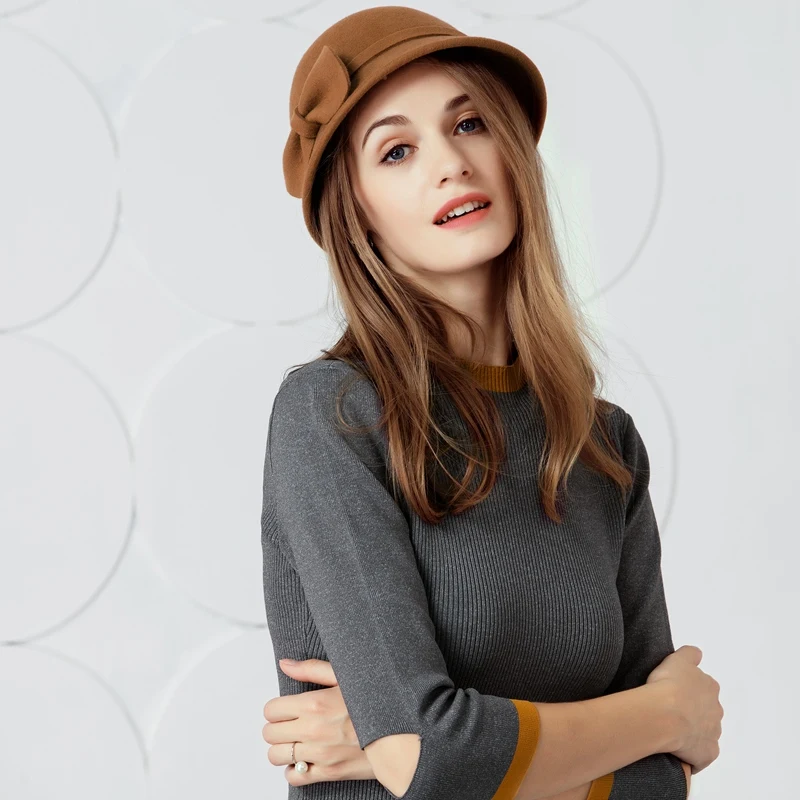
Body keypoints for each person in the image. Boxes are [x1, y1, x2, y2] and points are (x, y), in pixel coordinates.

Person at [260, 6, 722, 800]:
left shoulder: (603, 443)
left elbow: (662, 787)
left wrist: (434, 747)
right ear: (356, 210)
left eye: (468, 124)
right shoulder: (332, 414)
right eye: (397, 150)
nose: (450, 164)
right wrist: (660, 715)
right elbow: (425, 751)